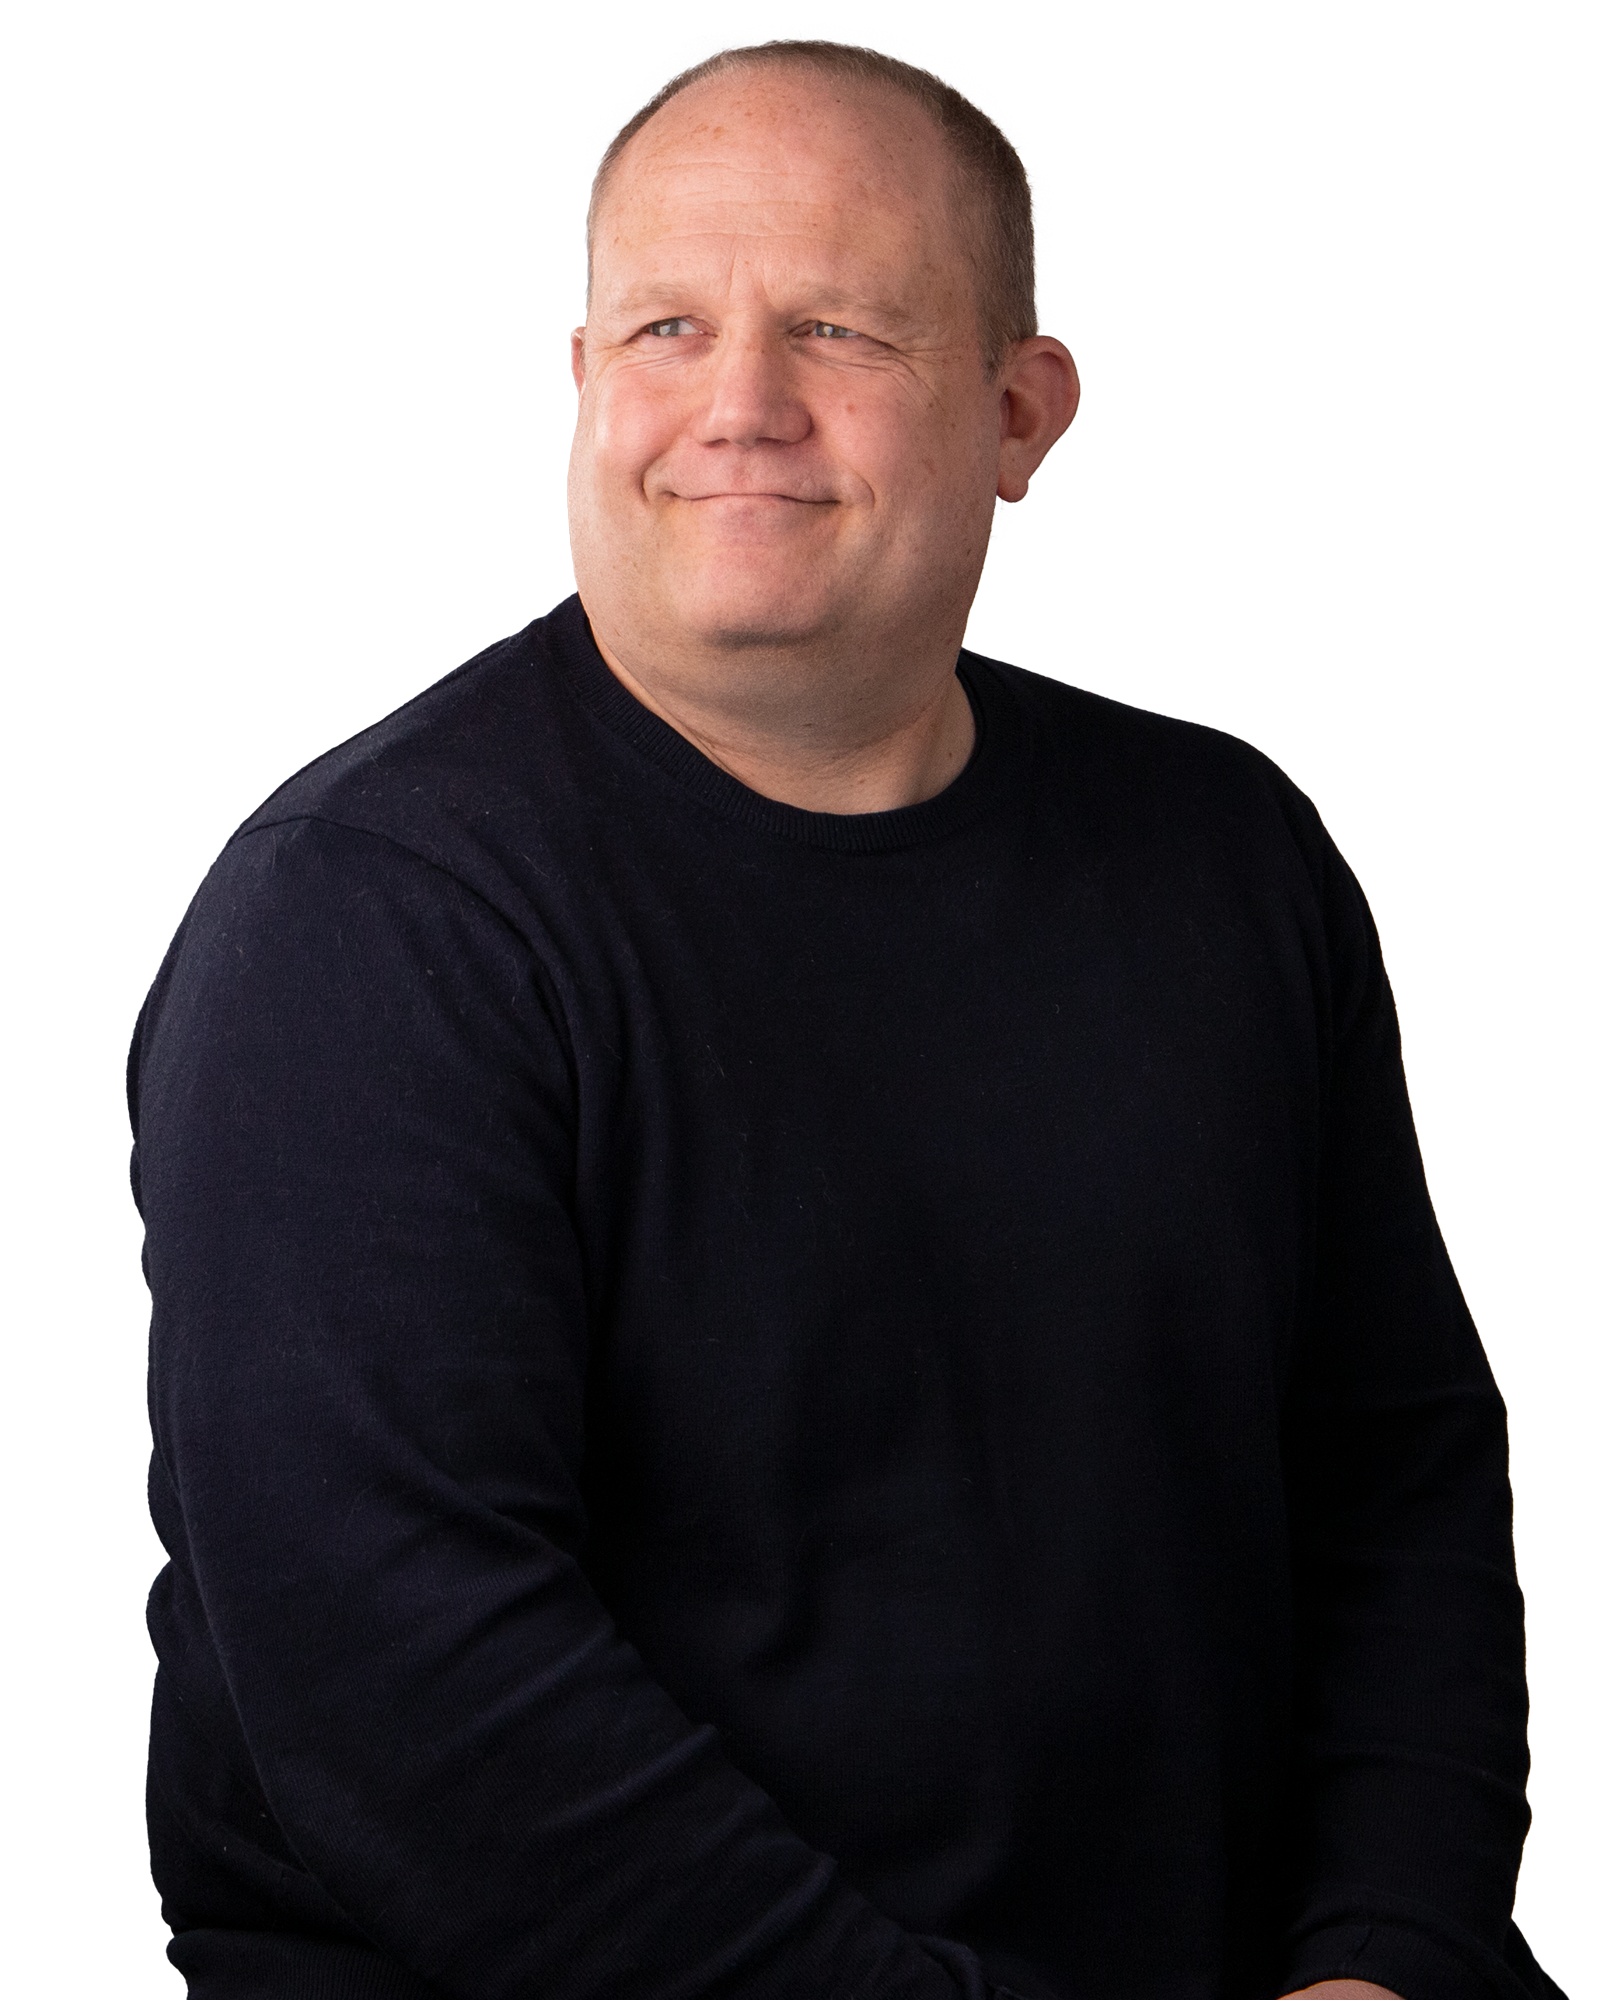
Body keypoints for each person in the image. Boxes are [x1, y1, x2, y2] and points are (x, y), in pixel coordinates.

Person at [128, 39, 1595, 2000]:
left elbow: (1394, 1470)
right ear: (581, 382)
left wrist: (1384, 1958)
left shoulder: (1224, 856)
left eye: (836, 327)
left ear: (1016, 409)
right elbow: (408, 1679)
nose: (737, 407)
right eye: (665, 324)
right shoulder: (369, 922)